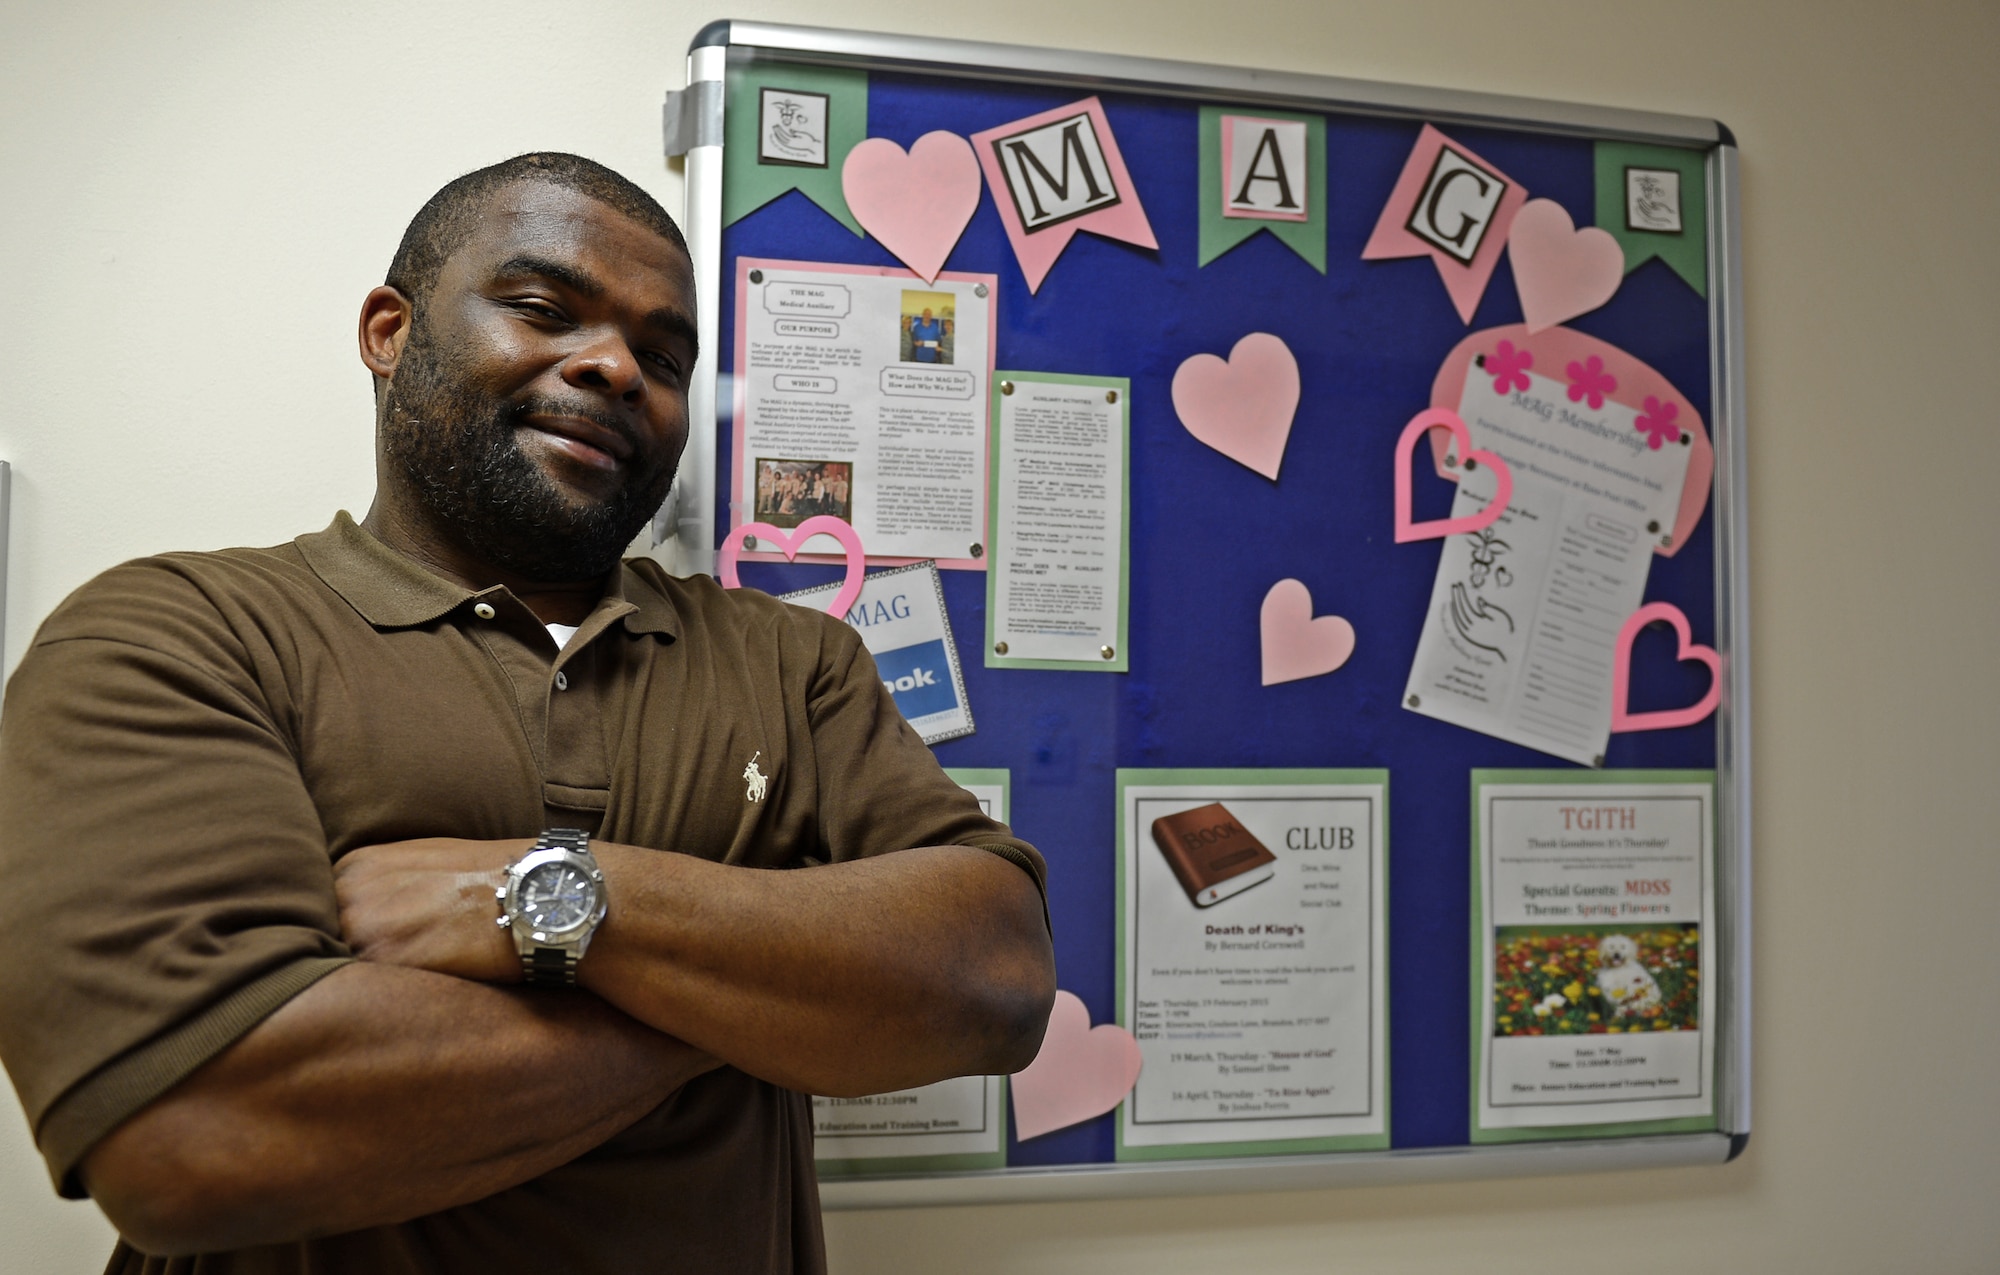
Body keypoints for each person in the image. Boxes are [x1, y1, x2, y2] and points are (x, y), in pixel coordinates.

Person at [0, 153, 1055, 1273]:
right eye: (545, 310)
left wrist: (537, 901)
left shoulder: (793, 664)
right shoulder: (182, 632)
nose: (612, 368)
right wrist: (756, 992)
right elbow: (196, 1138)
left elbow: (995, 978)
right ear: (389, 332)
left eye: (662, 357)